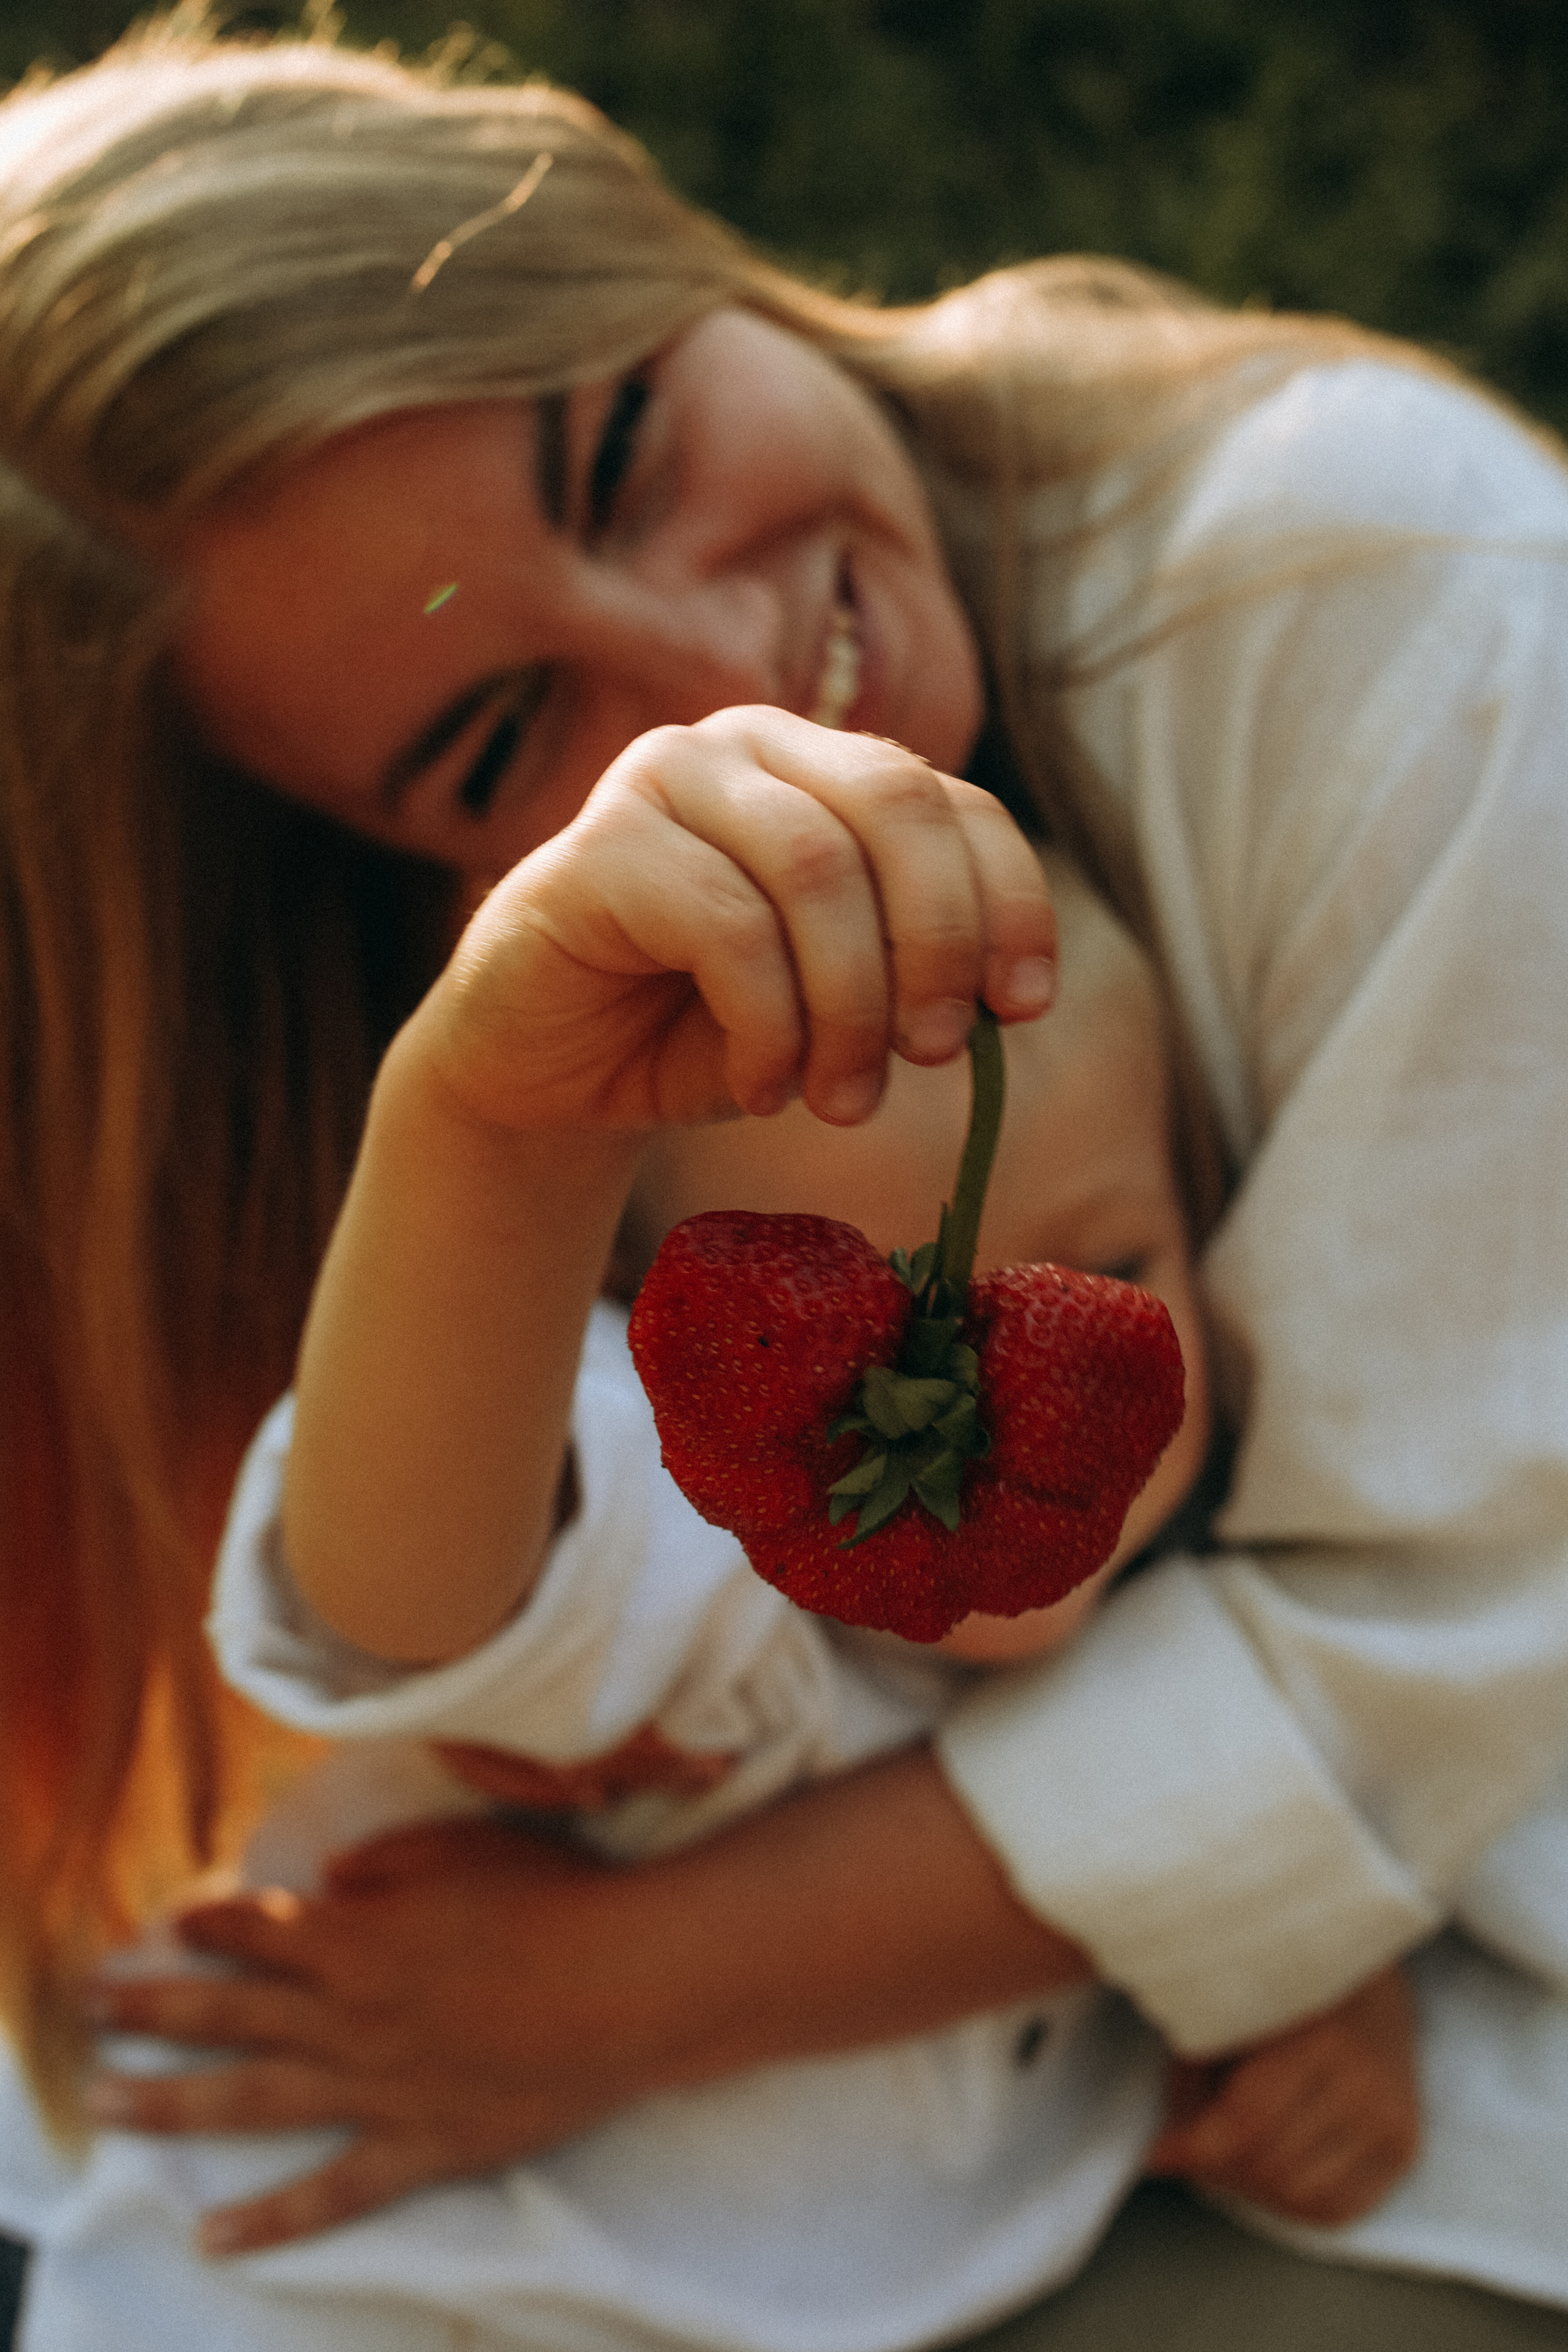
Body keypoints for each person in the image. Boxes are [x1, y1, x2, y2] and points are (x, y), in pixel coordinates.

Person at [0, 11, 1565, 2346]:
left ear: (637, 223)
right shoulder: (578, 1226)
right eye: (490, 737)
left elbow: (1435, 1637)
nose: (725, 662)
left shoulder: (1388, 595)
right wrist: (489, 1126)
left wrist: (620, 1992)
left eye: (622, 448)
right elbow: (426, 1586)